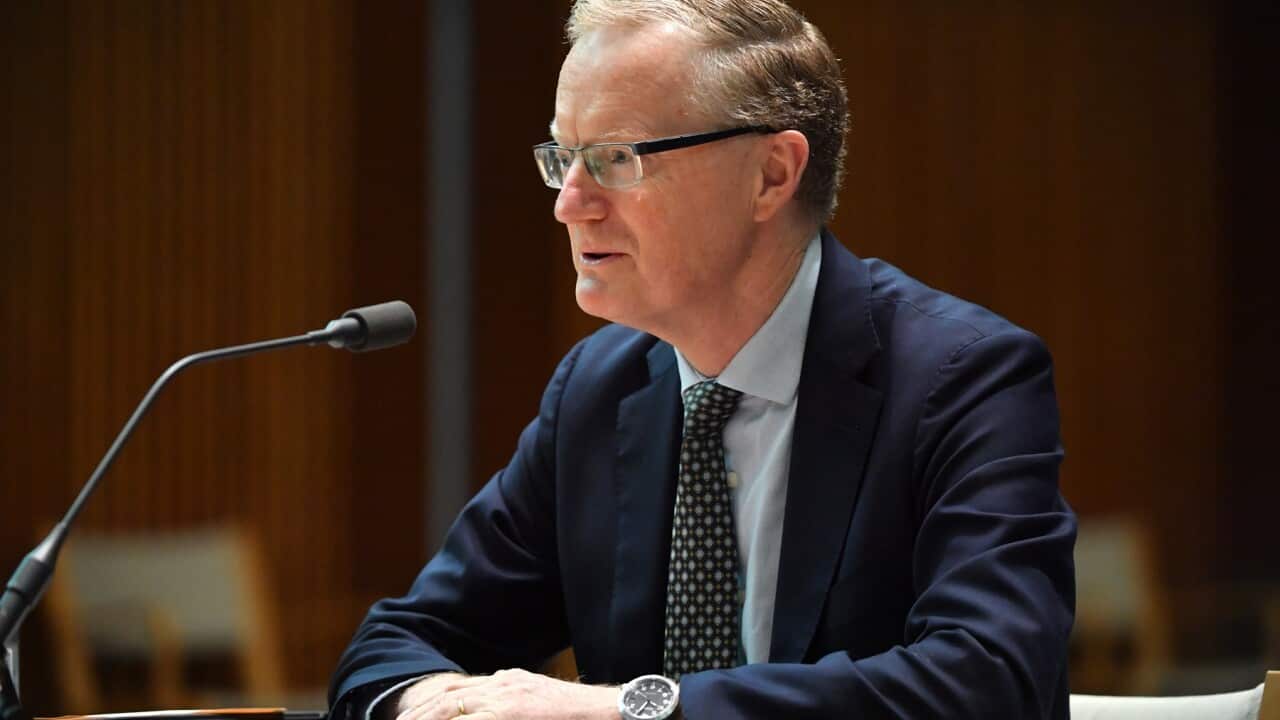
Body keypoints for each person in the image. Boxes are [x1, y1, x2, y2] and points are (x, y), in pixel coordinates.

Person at [329, 1, 1076, 718]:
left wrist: (630, 710)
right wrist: (432, 704)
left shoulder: (963, 378)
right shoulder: (599, 388)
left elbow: (991, 680)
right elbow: (399, 644)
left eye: (616, 158)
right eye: (565, 155)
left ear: (772, 175)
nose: (571, 203)